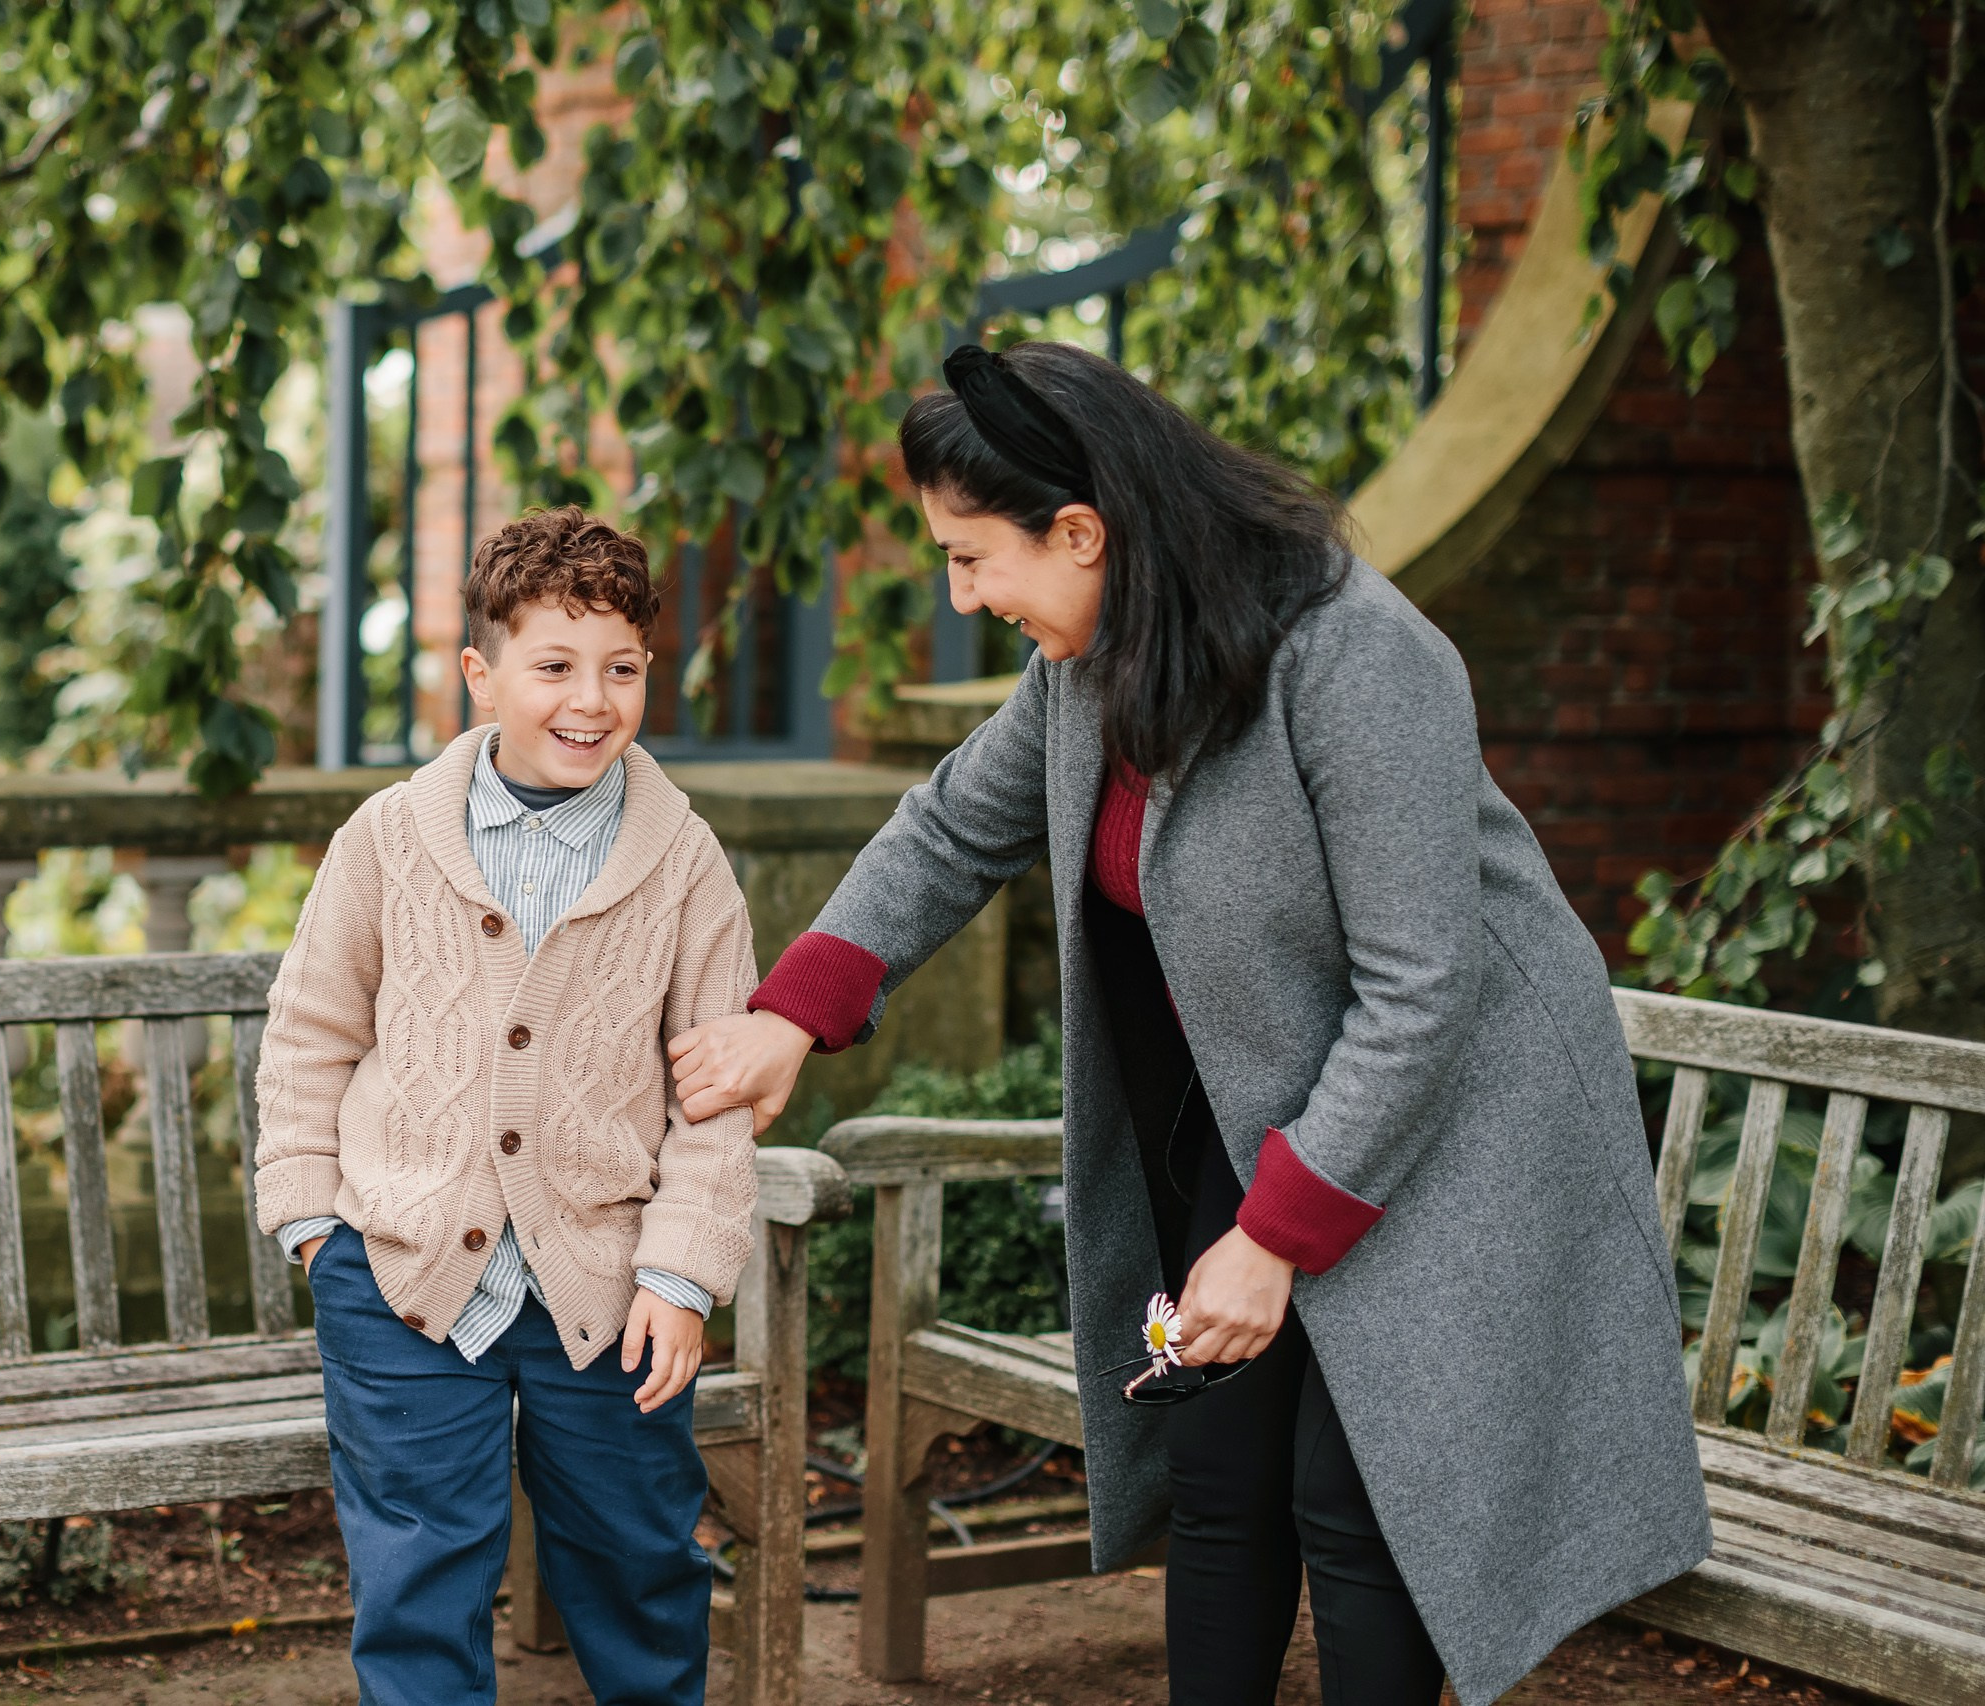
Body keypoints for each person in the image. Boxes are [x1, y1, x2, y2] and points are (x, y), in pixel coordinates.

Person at [666, 342, 1710, 1706]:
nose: (962, 595)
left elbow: (1421, 991)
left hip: (1456, 1124)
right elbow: (950, 830)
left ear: (1081, 532)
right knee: (1214, 1464)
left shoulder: (1355, 654)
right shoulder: (1089, 661)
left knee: (1357, 1497)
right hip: (1271, 1110)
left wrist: (1271, 1239)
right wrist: (792, 1015)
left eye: (972, 558)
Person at [254, 505, 759, 1706]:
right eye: (554, 666)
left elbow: (715, 1098)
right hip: (402, 1271)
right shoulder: (386, 839)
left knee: (640, 1560)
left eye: (622, 668)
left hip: (612, 1285)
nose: (591, 700)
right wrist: (316, 1226)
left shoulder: (684, 862)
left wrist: (681, 1274)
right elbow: (311, 1033)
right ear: (480, 675)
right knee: (417, 1573)